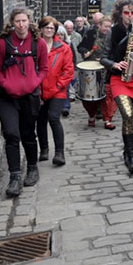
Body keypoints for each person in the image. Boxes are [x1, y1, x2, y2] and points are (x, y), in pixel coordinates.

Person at [0, 8, 48, 197]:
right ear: (12, 23)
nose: (21, 25)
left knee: (28, 134)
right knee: (11, 134)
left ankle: (32, 168)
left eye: (24, 21)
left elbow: (44, 68)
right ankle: (15, 176)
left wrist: (34, 82)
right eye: (17, 21)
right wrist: (6, 84)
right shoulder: (3, 44)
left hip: (29, 96)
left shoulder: (38, 43)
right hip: (8, 97)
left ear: (29, 21)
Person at [101, 0, 133, 175]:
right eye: (126, 13)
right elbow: (103, 57)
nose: (130, 16)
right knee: (128, 114)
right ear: (120, 13)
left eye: (132, 13)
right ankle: (132, 156)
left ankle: (128, 152)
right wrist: (114, 64)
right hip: (120, 79)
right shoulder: (113, 32)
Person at [37, 18, 74, 165]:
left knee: (53, 118)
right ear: (41, 29)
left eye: (52, 28)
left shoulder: (63, 48)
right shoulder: (35, 46)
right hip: (39, 90)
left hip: (57, 90)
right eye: (46, 27)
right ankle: (44, 149)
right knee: (40, 121)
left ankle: (59, 153)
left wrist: (58, 86)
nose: (49, 30)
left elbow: (69, 70)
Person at [78, 16, 118, 130]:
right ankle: (91, 115)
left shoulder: (114, 37)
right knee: (89, 96)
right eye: (105, 26)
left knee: (108, 95)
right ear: (99, 26)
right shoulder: (90, 34)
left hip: (107, 69)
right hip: (91, 69)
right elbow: (80, 47)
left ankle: (107, 119)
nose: (107, 29)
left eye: (109, 27)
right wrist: (85, 51)